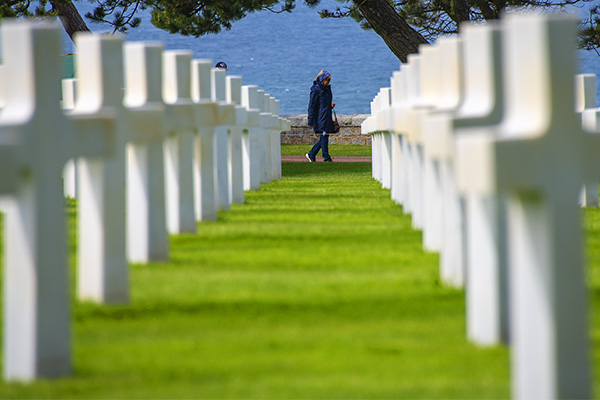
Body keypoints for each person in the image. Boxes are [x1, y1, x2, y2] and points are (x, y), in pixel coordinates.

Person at [306, 70, 335, 162]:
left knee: (324, 137)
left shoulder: (327, 89)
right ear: (323, 79)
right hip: (319, 117)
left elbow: (324, 103)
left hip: (327, 115)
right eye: (328, 79)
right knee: (324, 136)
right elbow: (312, 105)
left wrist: (330, 105)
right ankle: (326, 157)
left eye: (330, 79)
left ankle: (312, 153)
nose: (329, 81)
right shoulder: (316, 89)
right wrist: (310, 120)